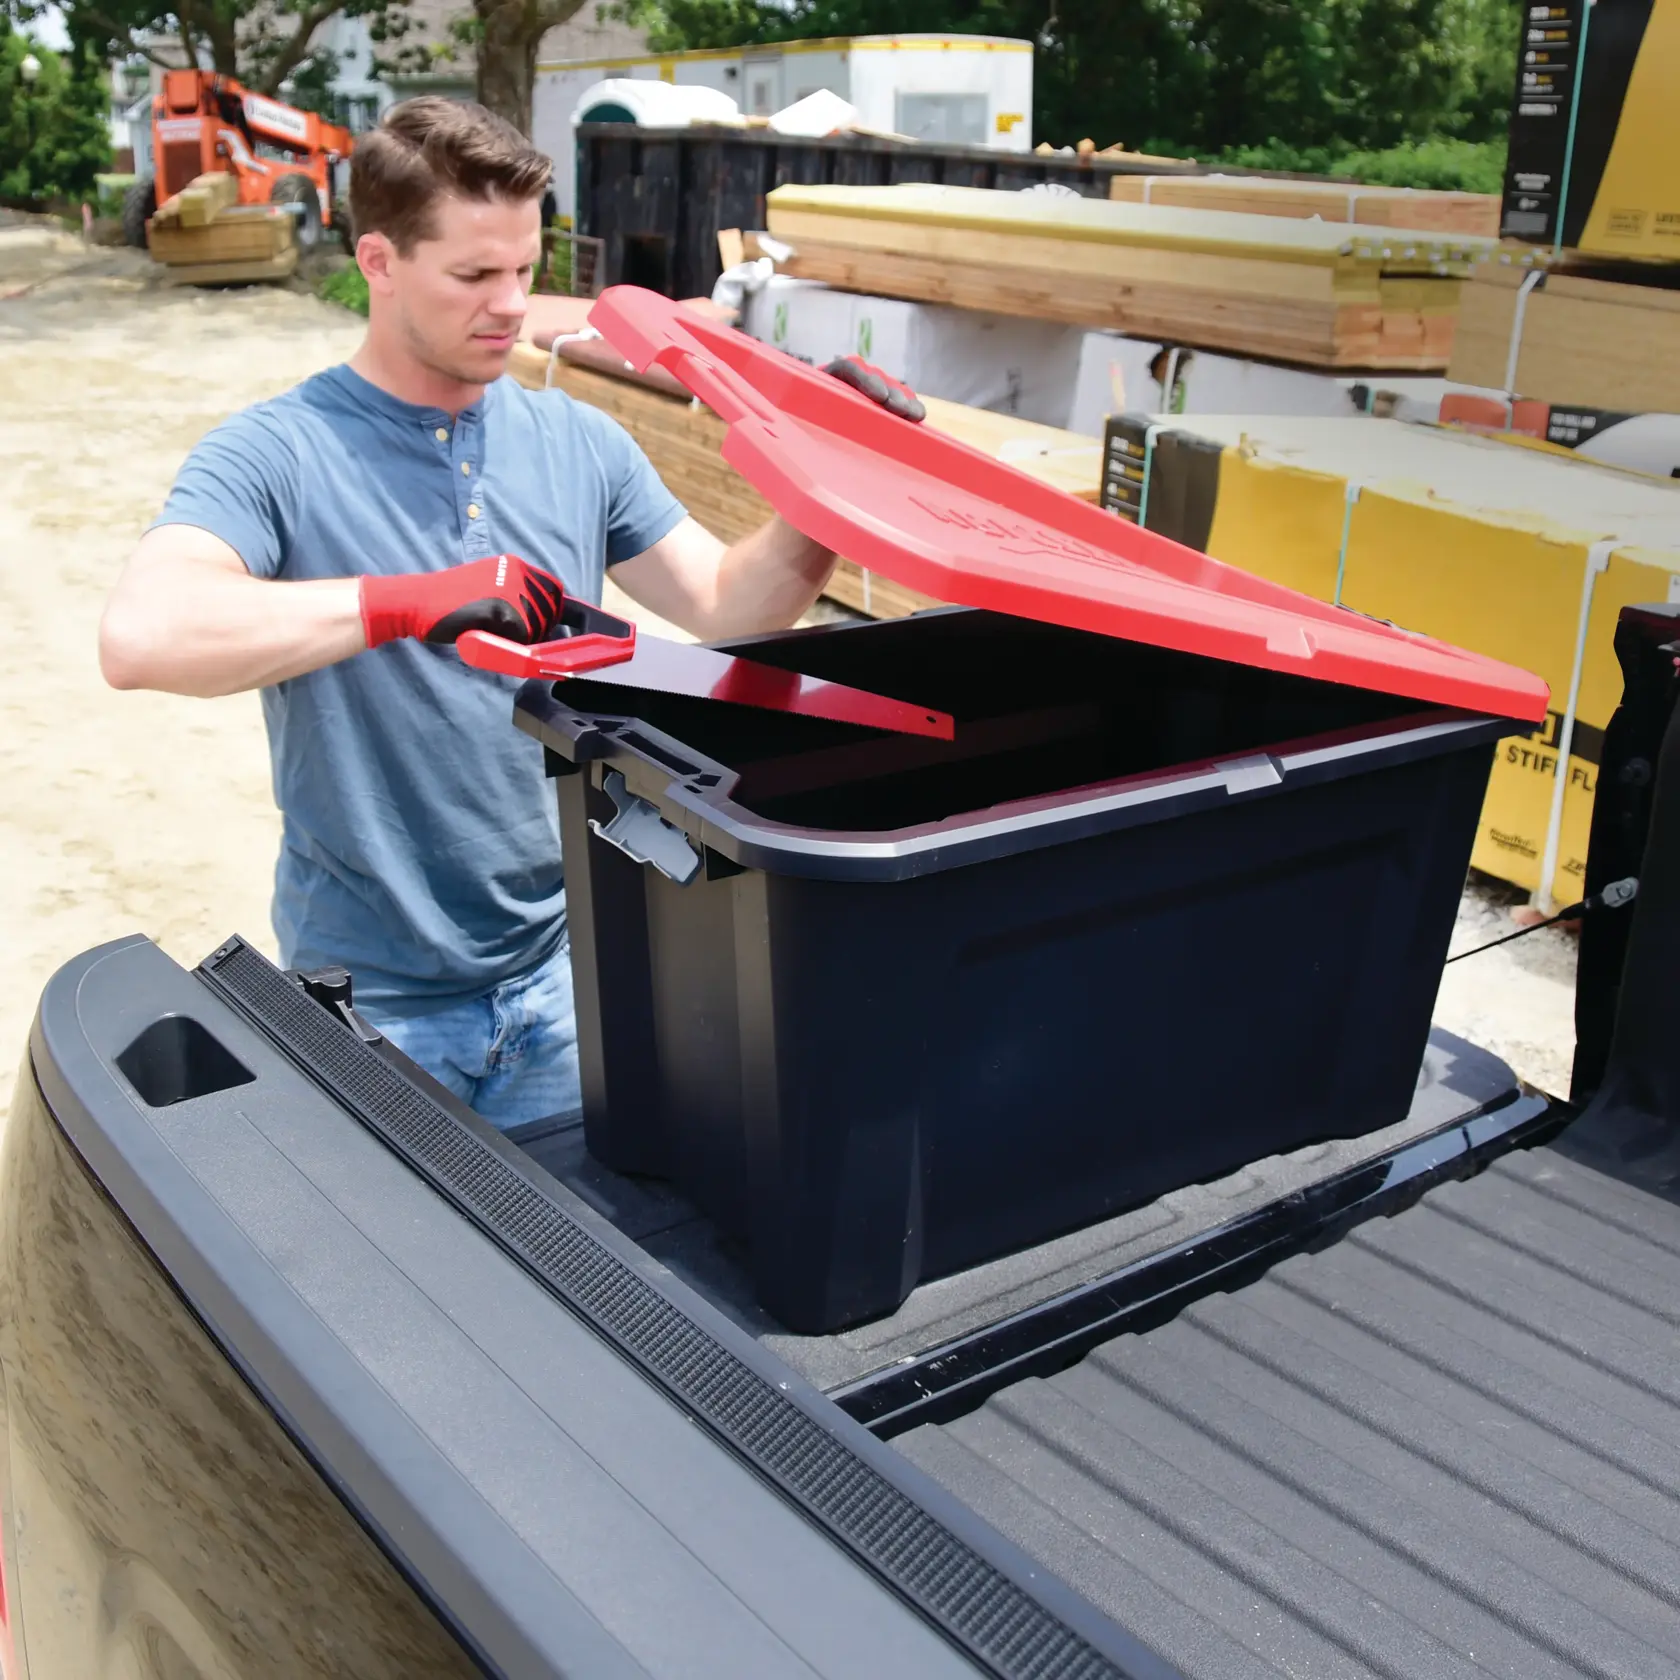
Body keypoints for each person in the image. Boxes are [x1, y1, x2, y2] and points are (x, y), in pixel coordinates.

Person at [98, 97, 919, 1134]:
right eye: (474, 276)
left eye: (525, 272)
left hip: (569, 975)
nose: (509, 306)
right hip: (373, 998)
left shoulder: (577, 443)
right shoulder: (279, 452)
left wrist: (826, 489)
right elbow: (142, 639)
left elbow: (722, 607)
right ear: (380, 262)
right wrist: (399, 604)